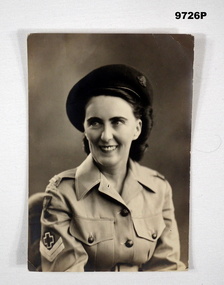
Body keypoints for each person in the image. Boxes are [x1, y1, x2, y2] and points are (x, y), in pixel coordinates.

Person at [39, 64, 186, 272]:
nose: (106, 136)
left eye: (117, 122)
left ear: (137, 129)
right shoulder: (61, 194)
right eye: (95, 123)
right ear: (85, 129)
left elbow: (166, 271)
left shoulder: (158, 188)